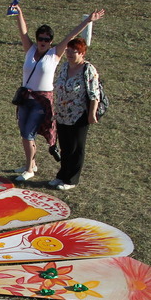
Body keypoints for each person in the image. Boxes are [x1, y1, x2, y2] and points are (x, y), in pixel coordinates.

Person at [9, 1, 105, 182]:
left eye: (46, 39)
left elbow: (71, 35)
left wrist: (88, 21)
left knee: (27, 133)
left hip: (41, 101)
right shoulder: (30, 50)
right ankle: (31, 163)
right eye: (40, 39)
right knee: (24, 132)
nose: (43, 42)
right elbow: (22, 32)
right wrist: (19, 13)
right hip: (25, 98)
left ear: (51, 41)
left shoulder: (55, 54)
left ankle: (29, 169)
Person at [50, 37, 102, 191]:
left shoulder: (88, 69)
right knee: (65, 146)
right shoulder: (65, 66)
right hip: (62, 113)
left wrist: (92, 114)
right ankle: (62, 175)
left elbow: (94, 93)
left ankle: (71, 179)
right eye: (69, 51)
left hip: (79, 114)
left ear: (82, 53)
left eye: (75, 52)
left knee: (76, 147)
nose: (70, 54)